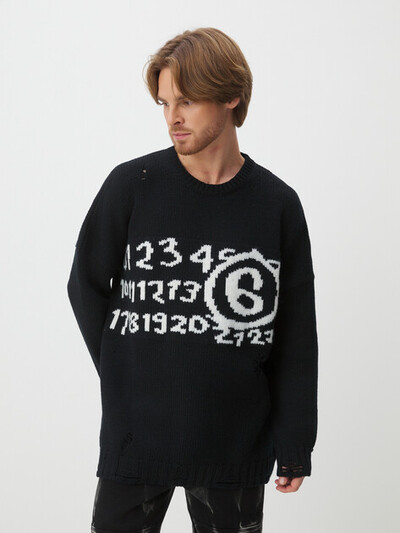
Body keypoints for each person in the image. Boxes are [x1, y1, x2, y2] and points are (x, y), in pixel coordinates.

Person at [67, 27, 319, 533]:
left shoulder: (276, 205)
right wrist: (126, 373)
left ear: (231, 97)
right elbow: (84, 285)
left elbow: (295, 333)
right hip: (138, 437)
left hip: (234, 440)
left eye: (187, 101)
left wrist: (295, 442)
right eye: (164, 103)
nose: (173, 118)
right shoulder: (132, 186)